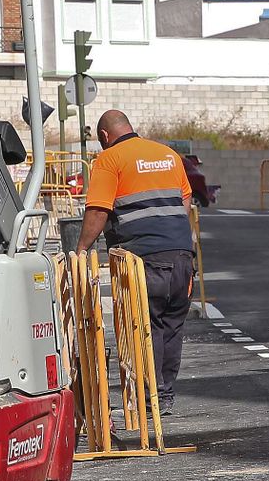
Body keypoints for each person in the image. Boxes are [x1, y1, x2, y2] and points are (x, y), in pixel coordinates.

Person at [77, 110, 195, 415]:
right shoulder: (167, 155)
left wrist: (82, 248)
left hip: (144, 258)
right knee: (171, 325)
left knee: (145, 325)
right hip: (182, 255)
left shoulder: (110, 159)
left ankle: (150, 397)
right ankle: (163, 396)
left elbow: (98, 210)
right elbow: (185, 200)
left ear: (105, 136)